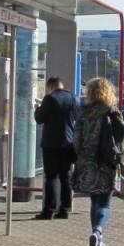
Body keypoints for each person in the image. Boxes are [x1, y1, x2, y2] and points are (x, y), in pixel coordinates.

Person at [73, 76, 124, 246]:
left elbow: (76, 139)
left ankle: (97, 238)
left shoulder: (83, 112)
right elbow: (122, 136)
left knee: (94, 200)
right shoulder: (111, 111)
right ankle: (97, 233)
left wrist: (79, 156)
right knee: (104, 203)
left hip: (86, 163)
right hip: (106, 162)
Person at [33, 76, 77, 219]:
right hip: (68, 143)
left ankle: (49, 210)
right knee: (65, 177)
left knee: (51, 177)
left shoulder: (49, 98)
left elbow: (39, 119)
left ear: (50, 86)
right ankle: (64, 209)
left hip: (51, 144)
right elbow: (78, 117)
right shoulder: (72, 98)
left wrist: (37, 109)